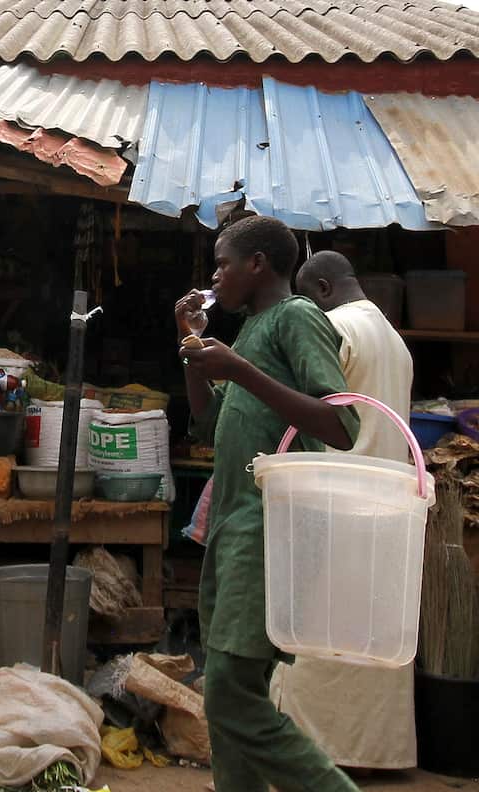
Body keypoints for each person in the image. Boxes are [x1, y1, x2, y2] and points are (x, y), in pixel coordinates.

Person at [177, 215, 361, 792]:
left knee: (229, 692)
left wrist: (237, 367)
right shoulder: (255, 330)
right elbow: (207, 419)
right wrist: (193, 347)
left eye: (223, 263)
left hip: (268, 528)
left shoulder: (297, 317)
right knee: (229, 696)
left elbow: (341, 422)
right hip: (233, 529)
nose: (215, 276)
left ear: (257, 264)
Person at [272, 250, 416, 770]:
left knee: (315, 634)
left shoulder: (332, 327)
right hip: (386, 503)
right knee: (373, 635)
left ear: (323, 291)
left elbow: (314, 412)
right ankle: (377, 752)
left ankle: (313, 756)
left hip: (333, 497)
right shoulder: (394, 339)